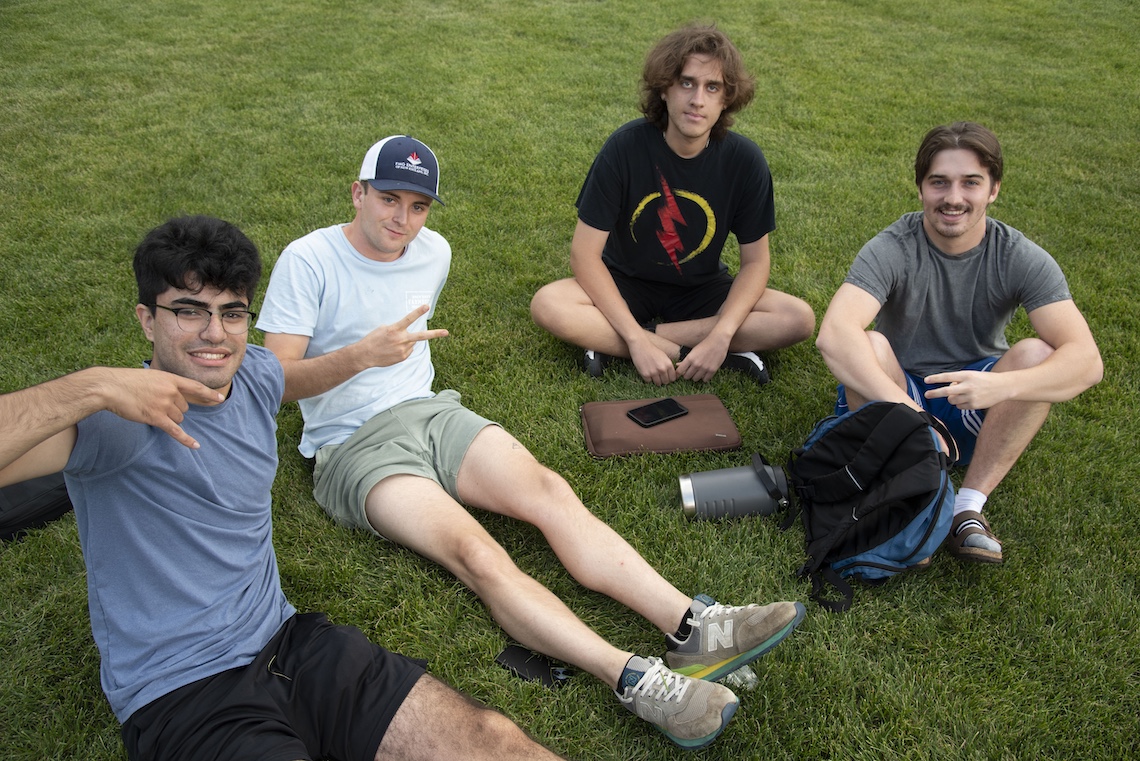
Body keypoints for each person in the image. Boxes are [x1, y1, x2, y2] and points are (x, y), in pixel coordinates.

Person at [257, 135, 807, 750]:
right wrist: (360, 358)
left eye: (418, 206)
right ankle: (635, 679)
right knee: (478, 553)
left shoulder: (431, 252)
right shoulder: (307, 261)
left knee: (550, 492)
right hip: (355, 447)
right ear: (357, 194)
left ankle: (695, 625)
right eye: (388, 199)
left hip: (433, 414)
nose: (401, 220)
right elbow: (272, 382)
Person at [0, 215, 565, 761]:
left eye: (232, 312)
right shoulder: (111, 424)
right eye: (189, 311)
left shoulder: (252, 375)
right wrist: (92, 386)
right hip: (183, 691)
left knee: (491, 739)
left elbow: (289, 380)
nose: (215, 334)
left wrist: (359, 357)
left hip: (288, 643)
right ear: (147, 320)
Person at [816, 122, 1103, 564]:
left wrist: (1001, 388)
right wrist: (915, 417)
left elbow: (1087, 362)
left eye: (971, 182)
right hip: (895, 397)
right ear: (921, 190)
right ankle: (916, 501)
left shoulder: (1017, 255)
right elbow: (834, 335)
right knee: (869, 344)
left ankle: (967, 508)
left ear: (993, 190)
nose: (953, 198)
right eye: (939, 183)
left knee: (1036, 356)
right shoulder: (894, 246)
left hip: (976, 402)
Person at [529, 23, 815, 386]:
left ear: (726, 98)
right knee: (548, 304)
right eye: (686, 83)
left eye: (712, 87)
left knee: (796, 317)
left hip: (702, 291)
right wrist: (636, 339)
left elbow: (756, 261)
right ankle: (671, 348)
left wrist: (723, 334)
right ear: (664, 88)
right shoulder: (625, 148)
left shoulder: (744, 160)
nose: (698, 100)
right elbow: (584, 255)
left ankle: (612, 340)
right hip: (624, 284)